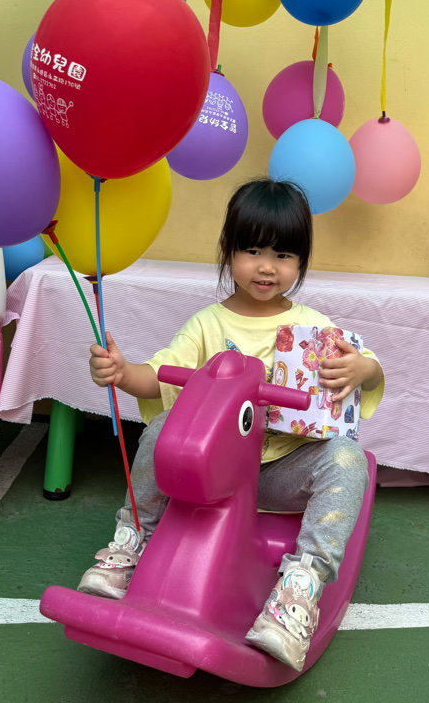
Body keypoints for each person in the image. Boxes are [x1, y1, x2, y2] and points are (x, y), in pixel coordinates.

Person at [78, 177, 384, 671]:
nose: (267, 267)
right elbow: (160, 375)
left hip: (281, 471)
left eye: (283, 255)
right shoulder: (207, 324)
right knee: (161, 429)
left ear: (301, 261)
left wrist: (362, 369)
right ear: (228, 250)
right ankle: (132, 539)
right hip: (216, 472)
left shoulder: (314, 328)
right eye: (253, 250)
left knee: (347, 459)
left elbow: (366, 367)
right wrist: (122, 372)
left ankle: (301, 586)